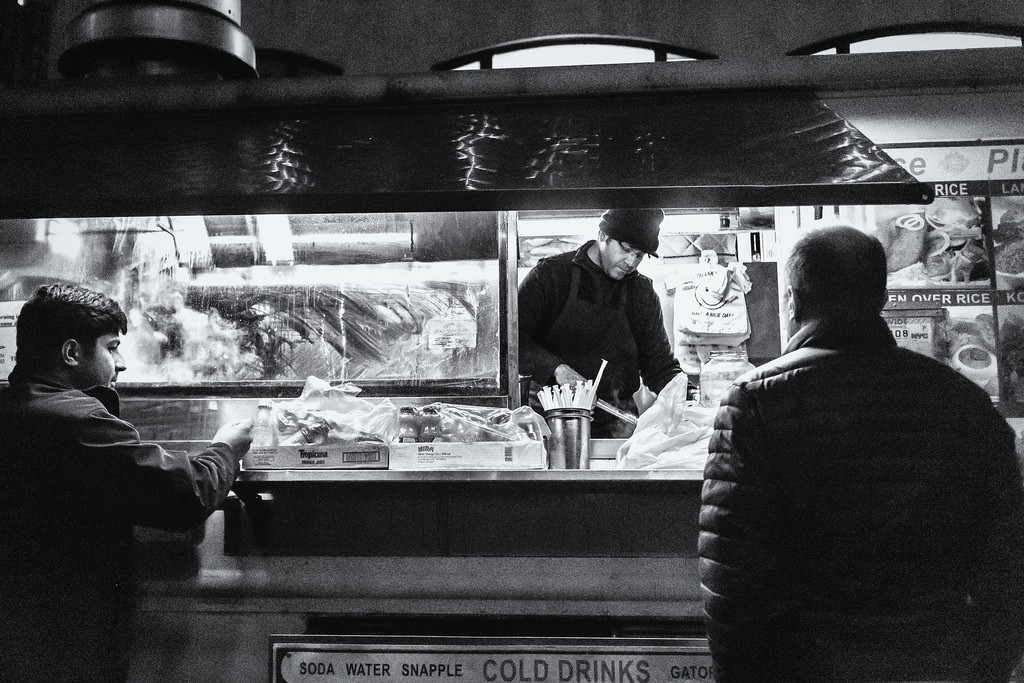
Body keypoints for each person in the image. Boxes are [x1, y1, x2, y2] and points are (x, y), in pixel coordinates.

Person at [699, 225, 1024, 682]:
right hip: (935, 661)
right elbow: (1006, 557)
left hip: (805, 664)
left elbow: (733, 572)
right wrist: (988, 667)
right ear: (880, 297)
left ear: (793, 301)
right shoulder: (962, 400)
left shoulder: (755, 400)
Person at [0, 284, 253, 682]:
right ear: (71, 353)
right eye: (112, 347)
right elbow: (185, 495)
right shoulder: (73, 422)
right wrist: (226, 449)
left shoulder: (16, 408)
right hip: (60, 639)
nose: (121, 364)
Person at [518, 208, 682, 437]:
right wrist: (557, 368)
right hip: (547, 428)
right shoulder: (551, 276)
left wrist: (689, 398)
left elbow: (660, 367)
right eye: (626, 249)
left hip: (616, 429)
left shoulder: (641, 293)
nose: (631, 262)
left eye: (640, 255)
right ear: (603, 235)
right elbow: (512, 343)